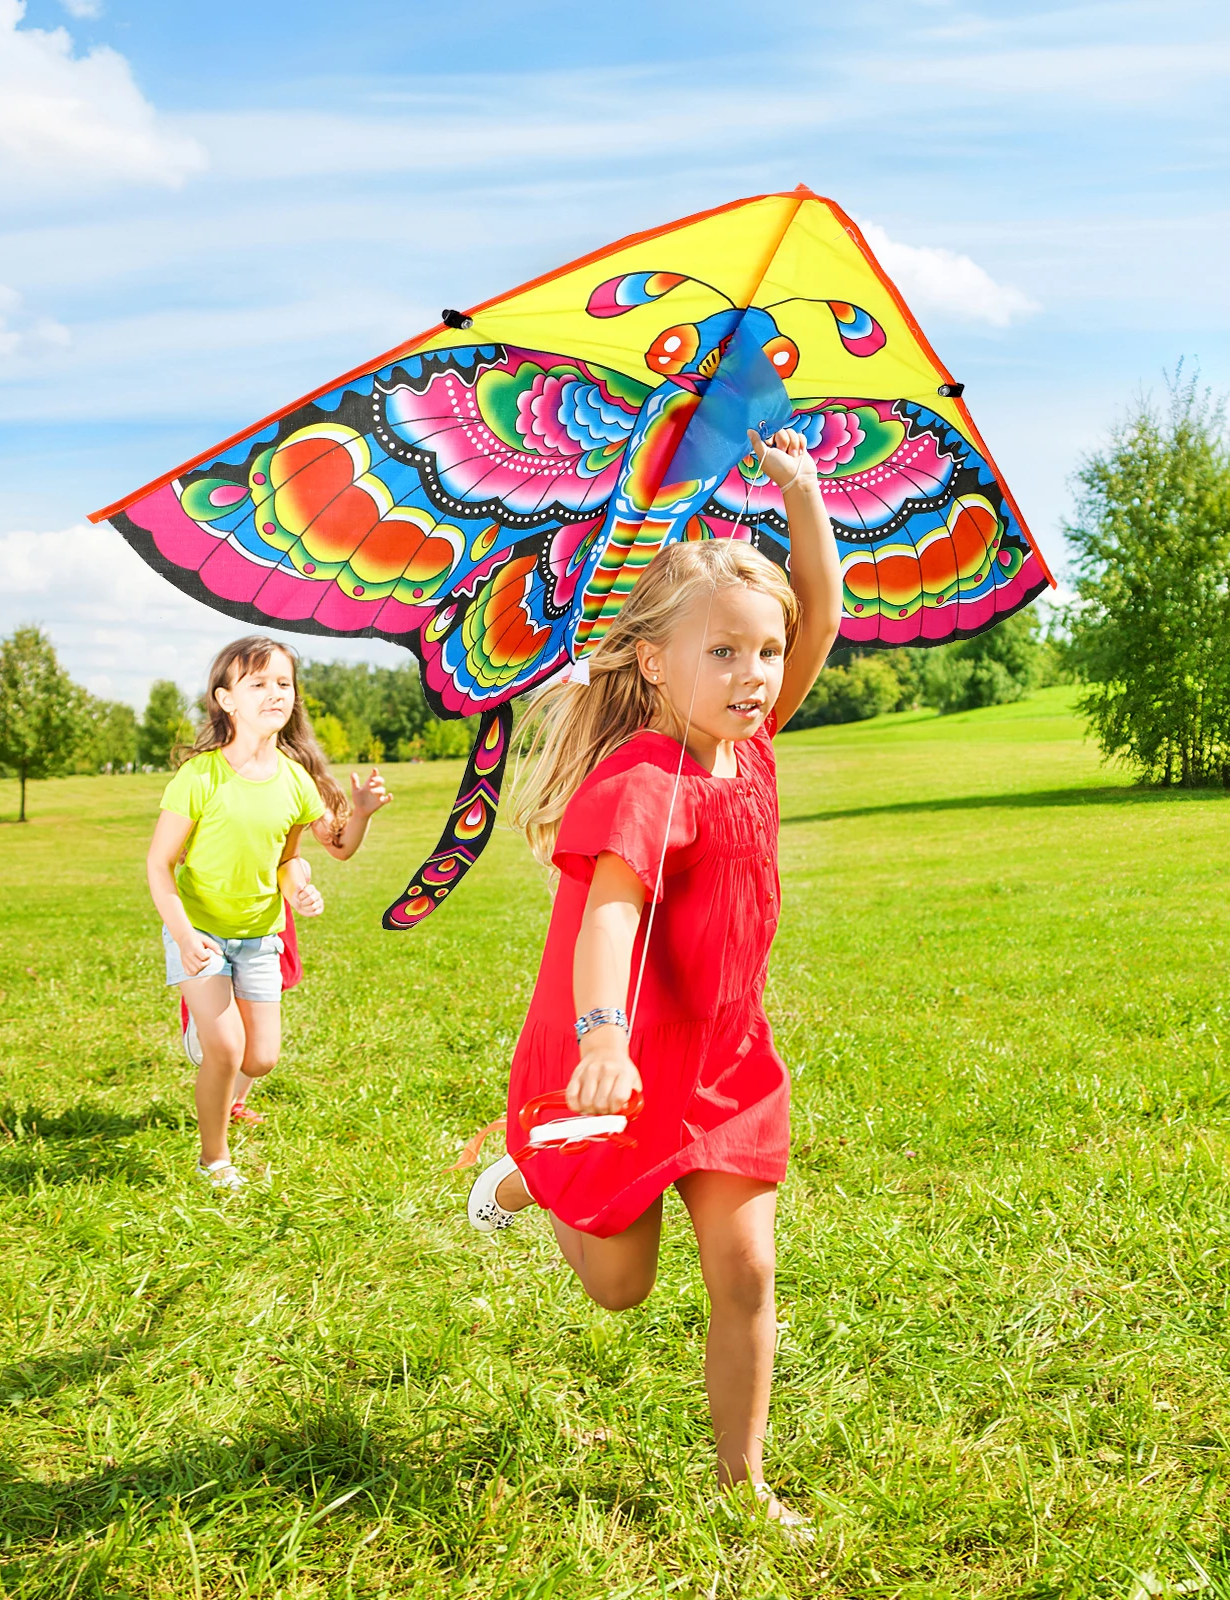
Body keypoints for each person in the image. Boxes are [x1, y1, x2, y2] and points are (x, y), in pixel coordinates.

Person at [463, 429, 841, 1528]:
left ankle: (744, 1483)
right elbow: (612, 910)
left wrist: (803, 493)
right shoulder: (642, 778)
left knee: (746, 1276)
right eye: (722, 653)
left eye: (762, 653)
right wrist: (598, 1035)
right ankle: (537, 1168)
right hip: (614, 1067)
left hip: (724, 1067)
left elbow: (817, 614)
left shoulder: (752, 741)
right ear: (653, 662)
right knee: (620, 1286)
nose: (755, 675)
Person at [146, 635, 391, 1190]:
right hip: (201, 932)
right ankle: (215, 1160)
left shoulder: (294, 779)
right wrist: (183, 936)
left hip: (260, 937)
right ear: (226, 700)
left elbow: (303, 856)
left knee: (259, 1060)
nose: (274, 693)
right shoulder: (200, 777)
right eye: (257, 683)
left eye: (283, 683)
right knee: (228, 1051)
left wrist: (359, 817)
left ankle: (206, 1037)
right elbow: (159, 866)